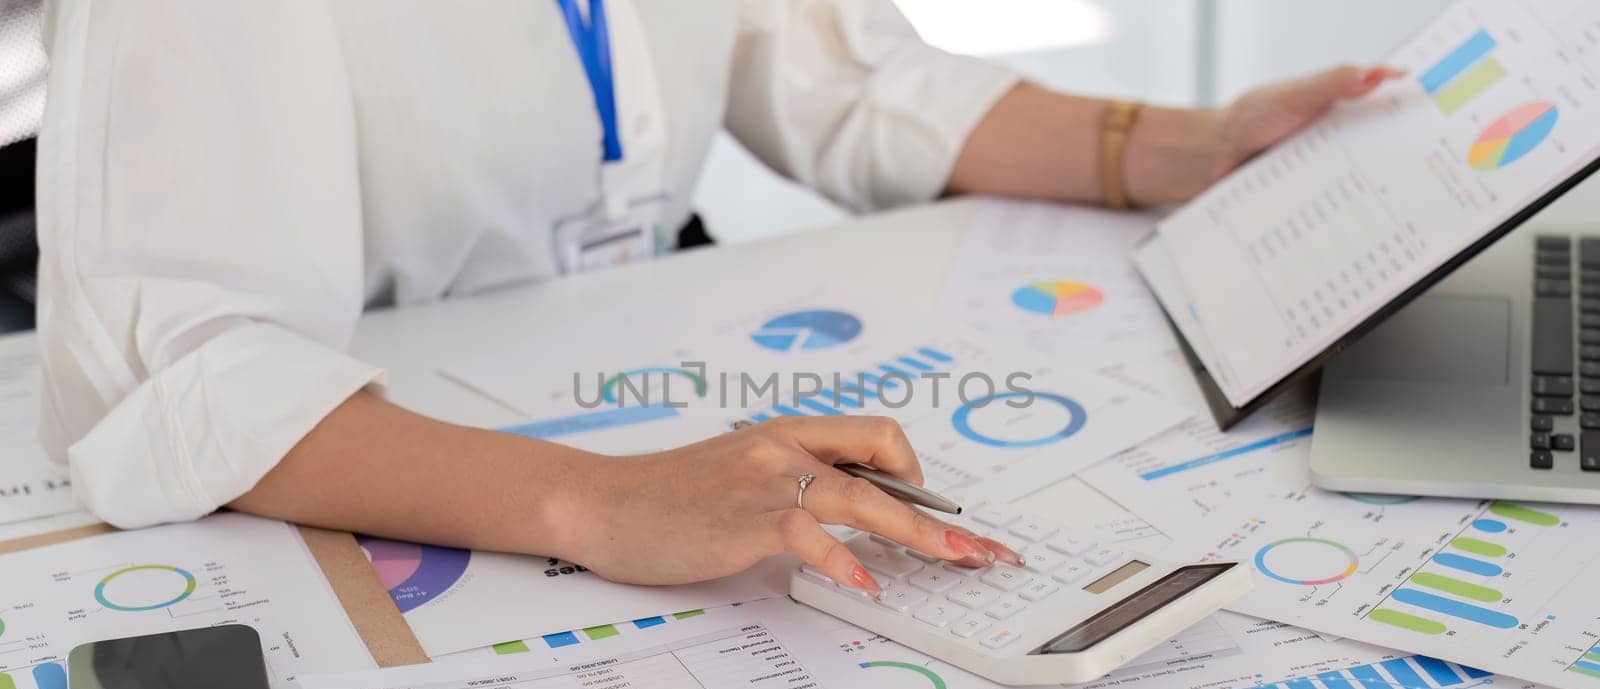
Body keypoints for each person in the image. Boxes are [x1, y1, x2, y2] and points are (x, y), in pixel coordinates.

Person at [33, 0, 1396, 597]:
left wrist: (1185, 146)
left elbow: (848, 78)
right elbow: (184, 368)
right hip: (383, 463)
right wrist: (603, 501)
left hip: (626, 347)